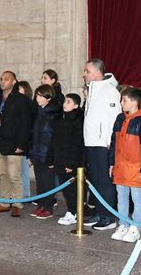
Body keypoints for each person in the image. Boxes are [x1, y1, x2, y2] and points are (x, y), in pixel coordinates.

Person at [82, 58, 122, 231]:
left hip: (102, 143)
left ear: (98, 72)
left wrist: (109, 142)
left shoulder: (110, 91)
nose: (84, 74)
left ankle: (109, 216)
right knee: (96, 180)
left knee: (105, 180)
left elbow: (113, 118)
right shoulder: (93, 89)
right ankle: (99, 212)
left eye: (87, 71)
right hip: (92, 141)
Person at [108, 87, 141, 243]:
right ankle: (123, 224)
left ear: (134, 102)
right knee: (122, 197)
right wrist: (111, 162)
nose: (121, 103)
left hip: (135, 166)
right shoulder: (120, 118)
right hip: (120, 165)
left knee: (137, 198)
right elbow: (114, 142)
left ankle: (136, 226)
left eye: (124, 100)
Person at [0, 71, 31, 217]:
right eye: (1, 79)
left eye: (6, 79)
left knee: (14, 175)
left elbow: (26, 124)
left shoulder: (21, 100)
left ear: (14, 81)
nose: (2, 81)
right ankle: (4, 203)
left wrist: (21, 144)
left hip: (14, 144)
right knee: (1, 174)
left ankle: (17, 204)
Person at [48, 93, 85, 226]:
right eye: (65, 101)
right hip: (60, 159)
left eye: (68, 102)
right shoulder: (61, 120)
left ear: (76, 105)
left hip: (69, 161)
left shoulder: (77, 122)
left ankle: (74, 212)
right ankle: (72, 210)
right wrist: (51, 158)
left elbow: (76, 144)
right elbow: (55, 141)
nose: (65, 104)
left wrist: (72, 164)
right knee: (65, 188)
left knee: (72, 189)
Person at [29, 84, 61, 219]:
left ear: (48, 97)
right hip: (37, 152)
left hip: (48, 153)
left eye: (41, 96)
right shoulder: (39, 112)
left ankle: (48, 207)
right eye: (37, 95)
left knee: (48, 182)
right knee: (40, 181)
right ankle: (41, 205)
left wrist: (53, 157)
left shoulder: (55, 114)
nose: (37, 98)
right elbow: (33, 134)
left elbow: (56, 137)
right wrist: (31, 152)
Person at [17, 81, 35, 200]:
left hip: (25, 141)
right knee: (17, 170)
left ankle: (25, 193)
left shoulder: (29, 105)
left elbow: (28, 127)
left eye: (20, 89)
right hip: (18, 139)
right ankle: (20, 192)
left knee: (23, 169)